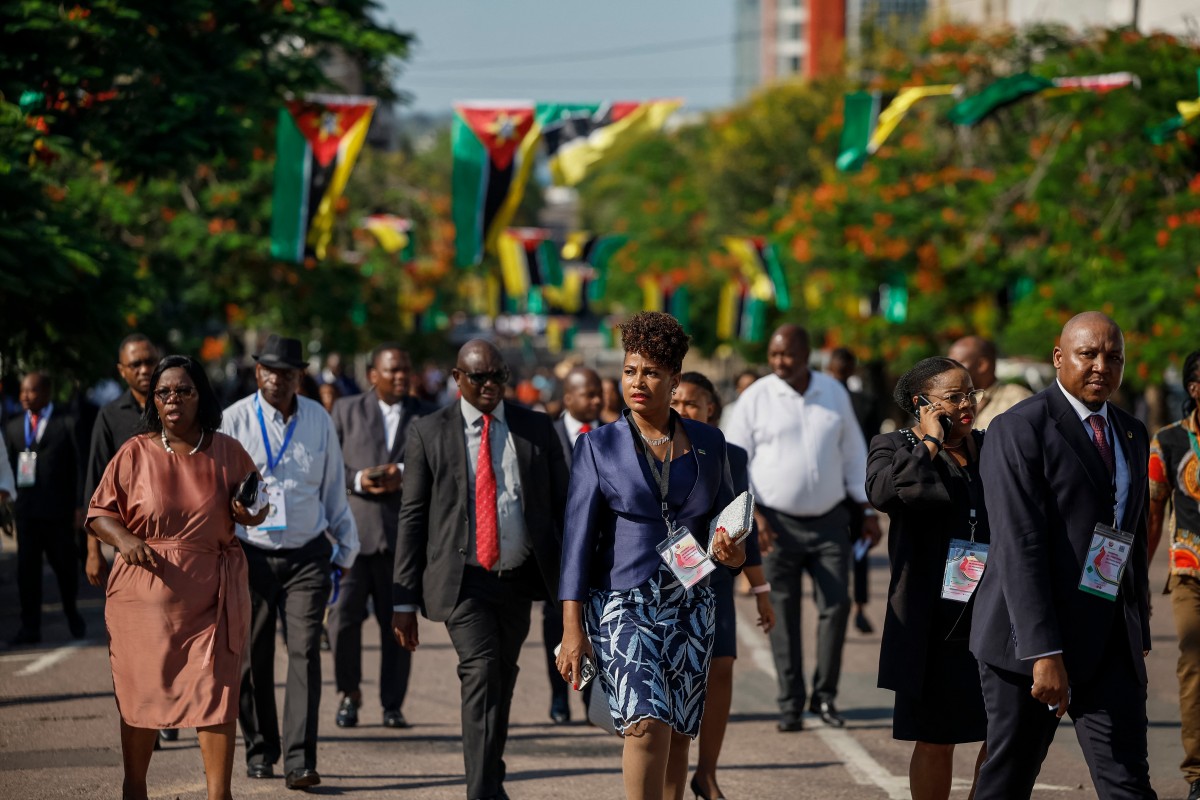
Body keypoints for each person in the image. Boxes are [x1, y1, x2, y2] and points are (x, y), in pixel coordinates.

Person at [557, 312, 746, 800]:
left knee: (680, 731)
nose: (638, 382)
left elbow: (727, 522)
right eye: (630, 371)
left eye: (652, 373)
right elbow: (576, 544)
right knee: (645, 723)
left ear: (675, 378)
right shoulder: (598, 446)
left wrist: (731, 549)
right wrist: (572, 629)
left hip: (692, 601)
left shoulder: (709, 442)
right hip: (624, 602)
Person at [970, 312, 1155, 799]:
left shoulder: (1133, 433)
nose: (1101, 366)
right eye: (1088, 354)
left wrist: (1139, 630)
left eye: (1113, 357)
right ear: (1059, 357)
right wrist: (1044, 653)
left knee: (1128, 784)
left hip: (1109, 638)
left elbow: (1129, 533)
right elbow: (1019, 545)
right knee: (1007, 781)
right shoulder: (1019, 428)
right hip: (1027, 647)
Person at [392, 339, 568, 800]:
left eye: (497, 376)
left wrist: (575, 583)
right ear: (457, 379)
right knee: (483, 671)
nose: (490, 385)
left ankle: (489, 773)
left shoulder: (536, 428)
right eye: (478, 377)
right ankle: (483, 792)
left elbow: (562, 505)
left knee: (502, 678)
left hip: (519, 575)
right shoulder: (428, 432)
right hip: (463, 580)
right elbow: (412, 516)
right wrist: (403, 598)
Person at [86, 355, 267, 800]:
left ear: (200, 395)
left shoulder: (226, 450)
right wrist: (124, 540)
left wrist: (249, 512)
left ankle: (218, 795)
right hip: (143, 603)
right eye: (163, 392)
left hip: (212, 599)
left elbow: (258, 505)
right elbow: (99, 512)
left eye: (182, 390)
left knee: (216, 694)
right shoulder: (135, 452)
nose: (172, 399)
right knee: (141, 695)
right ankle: (135, 786)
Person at [220, 334, 360, 791]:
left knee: (304, 653)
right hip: (251, 553)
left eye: (287, 372)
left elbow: (333, 486)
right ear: (257, 371)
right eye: (270, 370)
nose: (277, 379)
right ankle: (261, 747)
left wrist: (346, 541)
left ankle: (300, 760)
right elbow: (217, 493)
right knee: (251, 656)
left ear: (300, 376)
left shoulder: (319, 418)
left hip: (306, 555)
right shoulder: (234, 420)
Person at [724, 325, 879, 731]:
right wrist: (753, 516)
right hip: (774, 524)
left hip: (830, 521)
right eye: (774, 355)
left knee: (837, 605)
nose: (779, 362)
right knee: (781, 612)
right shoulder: (756, 397)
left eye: (787, 355)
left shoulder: (832, 392)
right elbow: (735, 462)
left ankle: (825, 697)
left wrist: (866, 509)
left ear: (806, 353)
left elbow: (851, 453)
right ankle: (790, 703)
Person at [867, 357, 989, 800]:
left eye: (970, 394)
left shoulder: (988, 445)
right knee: (938, 736)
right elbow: (884, 493)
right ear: (923, 403)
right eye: (954, 397)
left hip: (991, 610)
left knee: (1005, 730)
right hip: (931, 617)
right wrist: (931, 443)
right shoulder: (893, 445)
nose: (966, 404)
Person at [672, 370, 774, 800]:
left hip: (712, 582)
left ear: (711, 407)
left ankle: (706, 773)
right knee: (675, 680)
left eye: (691, 403)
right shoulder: (653, 447)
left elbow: (740, 525)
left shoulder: (730, 454)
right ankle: (669, 781)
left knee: (721, 669)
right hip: (663, 580)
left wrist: (761, 591)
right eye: (675, 402)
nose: (681, 411)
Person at [329, 343, 431, 731]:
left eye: (406, 369)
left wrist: (403, 472)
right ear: (373, 375)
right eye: (393, 371)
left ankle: (393, 704)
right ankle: (348, 695)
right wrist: (358, 479)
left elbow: (437, 463)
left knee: (399, 624)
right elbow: (330, 466)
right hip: (354, 536)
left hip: (402, 541)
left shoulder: (426, 414)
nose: (401, 376)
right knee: (343, 622)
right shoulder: (345, 410)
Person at [1148, 349, 1200, 800]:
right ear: (1195, 390)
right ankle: (1198, 773)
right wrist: (1134, 587)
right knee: (1195, 660)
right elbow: (1150, 515)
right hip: (1190, 573)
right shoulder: (1167, 442)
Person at [4, 372, 85, 645]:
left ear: (47, 393)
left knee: (64, 567)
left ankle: (71, 611)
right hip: (27, 513)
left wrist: (79, 506)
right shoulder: (14, 427)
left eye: (32, 391)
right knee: (27, 572)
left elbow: (79, 467)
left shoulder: (66, 423)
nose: (26, 396)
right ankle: (30, 627)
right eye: (23, 392)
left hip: (59, 512)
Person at [543, 365, 603, 724]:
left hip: (599, 557)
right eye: (588, 394)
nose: (597, 400)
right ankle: (558, 697)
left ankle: (590, 701)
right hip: (557, 555)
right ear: (568, 398)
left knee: (596, 628)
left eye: (599, 393)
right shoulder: (547, 437)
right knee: (556, 627)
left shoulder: (613, 436)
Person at [83, 334, 158, 589]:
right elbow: (95, 484)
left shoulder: (174, 408)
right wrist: (93, 551)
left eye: (150, 362)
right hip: (129, 539)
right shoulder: (110, 416)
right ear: (122, 371)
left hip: (174, 536)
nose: (144, 370)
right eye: (135, 365)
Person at [827, 347, 883, 635]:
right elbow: (873, 449)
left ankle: (836, 606)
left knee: (832, 549)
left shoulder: (823, 401)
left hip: (831, 488)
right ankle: (857, 606)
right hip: (856, 485)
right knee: (858, 550)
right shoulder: (865, 401)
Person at [947, 336, 1032, 431]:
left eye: (957, 364)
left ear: (982, 365)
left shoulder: (1018, 399)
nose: (950, 371)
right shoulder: (950, 400)